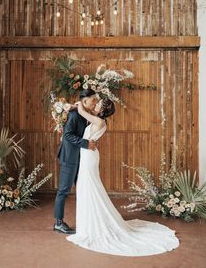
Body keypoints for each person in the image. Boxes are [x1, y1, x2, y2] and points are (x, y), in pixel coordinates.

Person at [66, 97, 179, 256]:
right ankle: (86, 224)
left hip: (89, 157)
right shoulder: (99, 121)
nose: (96, 104)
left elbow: (81, 111)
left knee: (89, 187)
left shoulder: (99, 121)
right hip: (87, 154)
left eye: (98, 103)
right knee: (87, 187)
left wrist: (76, 104)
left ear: (102, 110)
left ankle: (90, 225)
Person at [53, 89, 98, 234]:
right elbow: (67, 135)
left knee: (83, 189)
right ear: (84, 101)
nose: (95, 103)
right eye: (93, 100)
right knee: (64, 191)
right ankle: (58, 223)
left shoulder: (87, 114)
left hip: (81, 159)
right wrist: (86, 144)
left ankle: (87, 219)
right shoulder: (73, 114)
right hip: (69, 157)